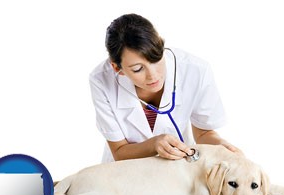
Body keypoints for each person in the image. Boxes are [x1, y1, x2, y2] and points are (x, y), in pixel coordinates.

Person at [89, 13, 240, 163]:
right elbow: (119, 151)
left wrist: (221, 147)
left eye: (156, 59)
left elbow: (203, 133)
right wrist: (154, 144)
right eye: (137, 69)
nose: (153, 75)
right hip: (125, 172)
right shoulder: (101, 80)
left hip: (177, 169)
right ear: (117, 68)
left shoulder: (195, 70)